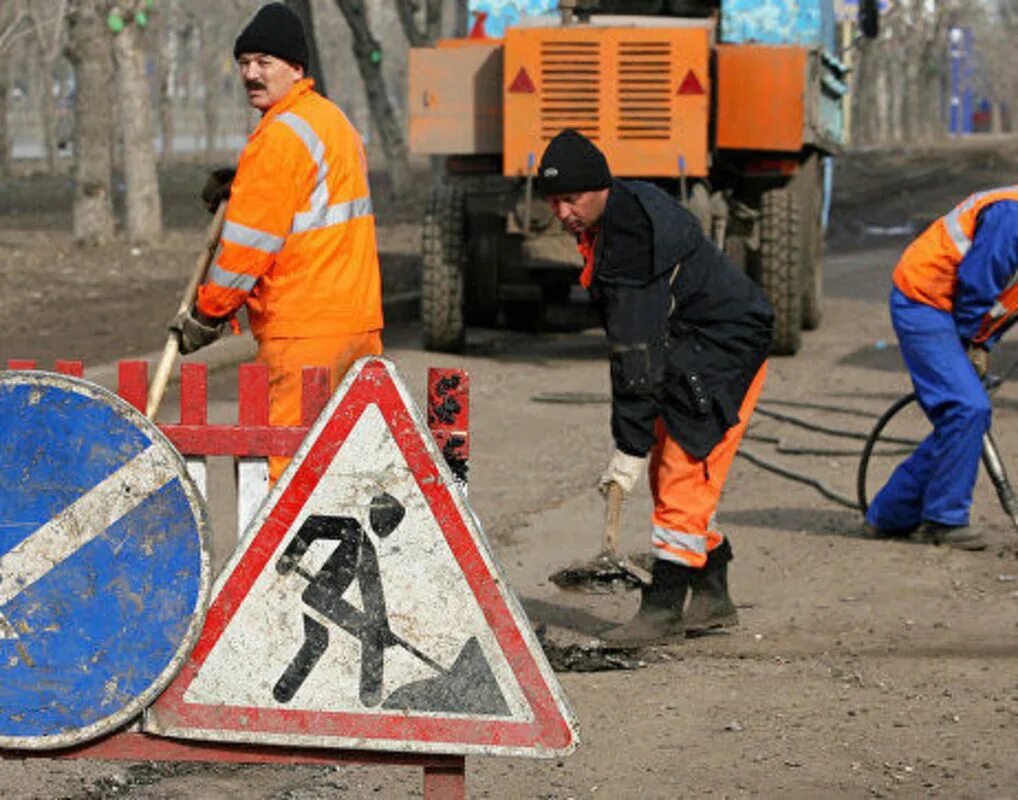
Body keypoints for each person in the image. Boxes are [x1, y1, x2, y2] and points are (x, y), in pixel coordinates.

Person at [536, 129, 774, 647]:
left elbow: (634, 356)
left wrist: (628, 446)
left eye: (570, 199)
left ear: (599, 187)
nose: (561, 212)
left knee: (683, 469)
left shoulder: (633, 240)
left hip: (724, 348)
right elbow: (635, 353)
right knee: (673, 466)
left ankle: (664, 608)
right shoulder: (616, 214)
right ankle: (711, 597)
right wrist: (636, 438)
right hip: (690, 343)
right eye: (553, 200)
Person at [169, 2, 383, 483]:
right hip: (357, 321)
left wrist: (209, 314)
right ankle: (349, 559)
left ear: (296, 67)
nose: (251, 73)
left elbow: (247, 249)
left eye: (265, 62)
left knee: (291, 471)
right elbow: (308, 207)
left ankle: (290, 562)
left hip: (303, 331)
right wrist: (246, 182)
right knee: (348, 467)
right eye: (244, 63)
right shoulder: (332, 123)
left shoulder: (280, 138)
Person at [864, 187, 1018, 551]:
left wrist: (983, 343)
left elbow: (1005, 303)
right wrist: (968, 341)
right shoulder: (1012, 214)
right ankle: (945, 520)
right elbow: (978, 282)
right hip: (923, 300)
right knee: (968, 408)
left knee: (962, 418)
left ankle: (890, 514)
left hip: (947, 307)